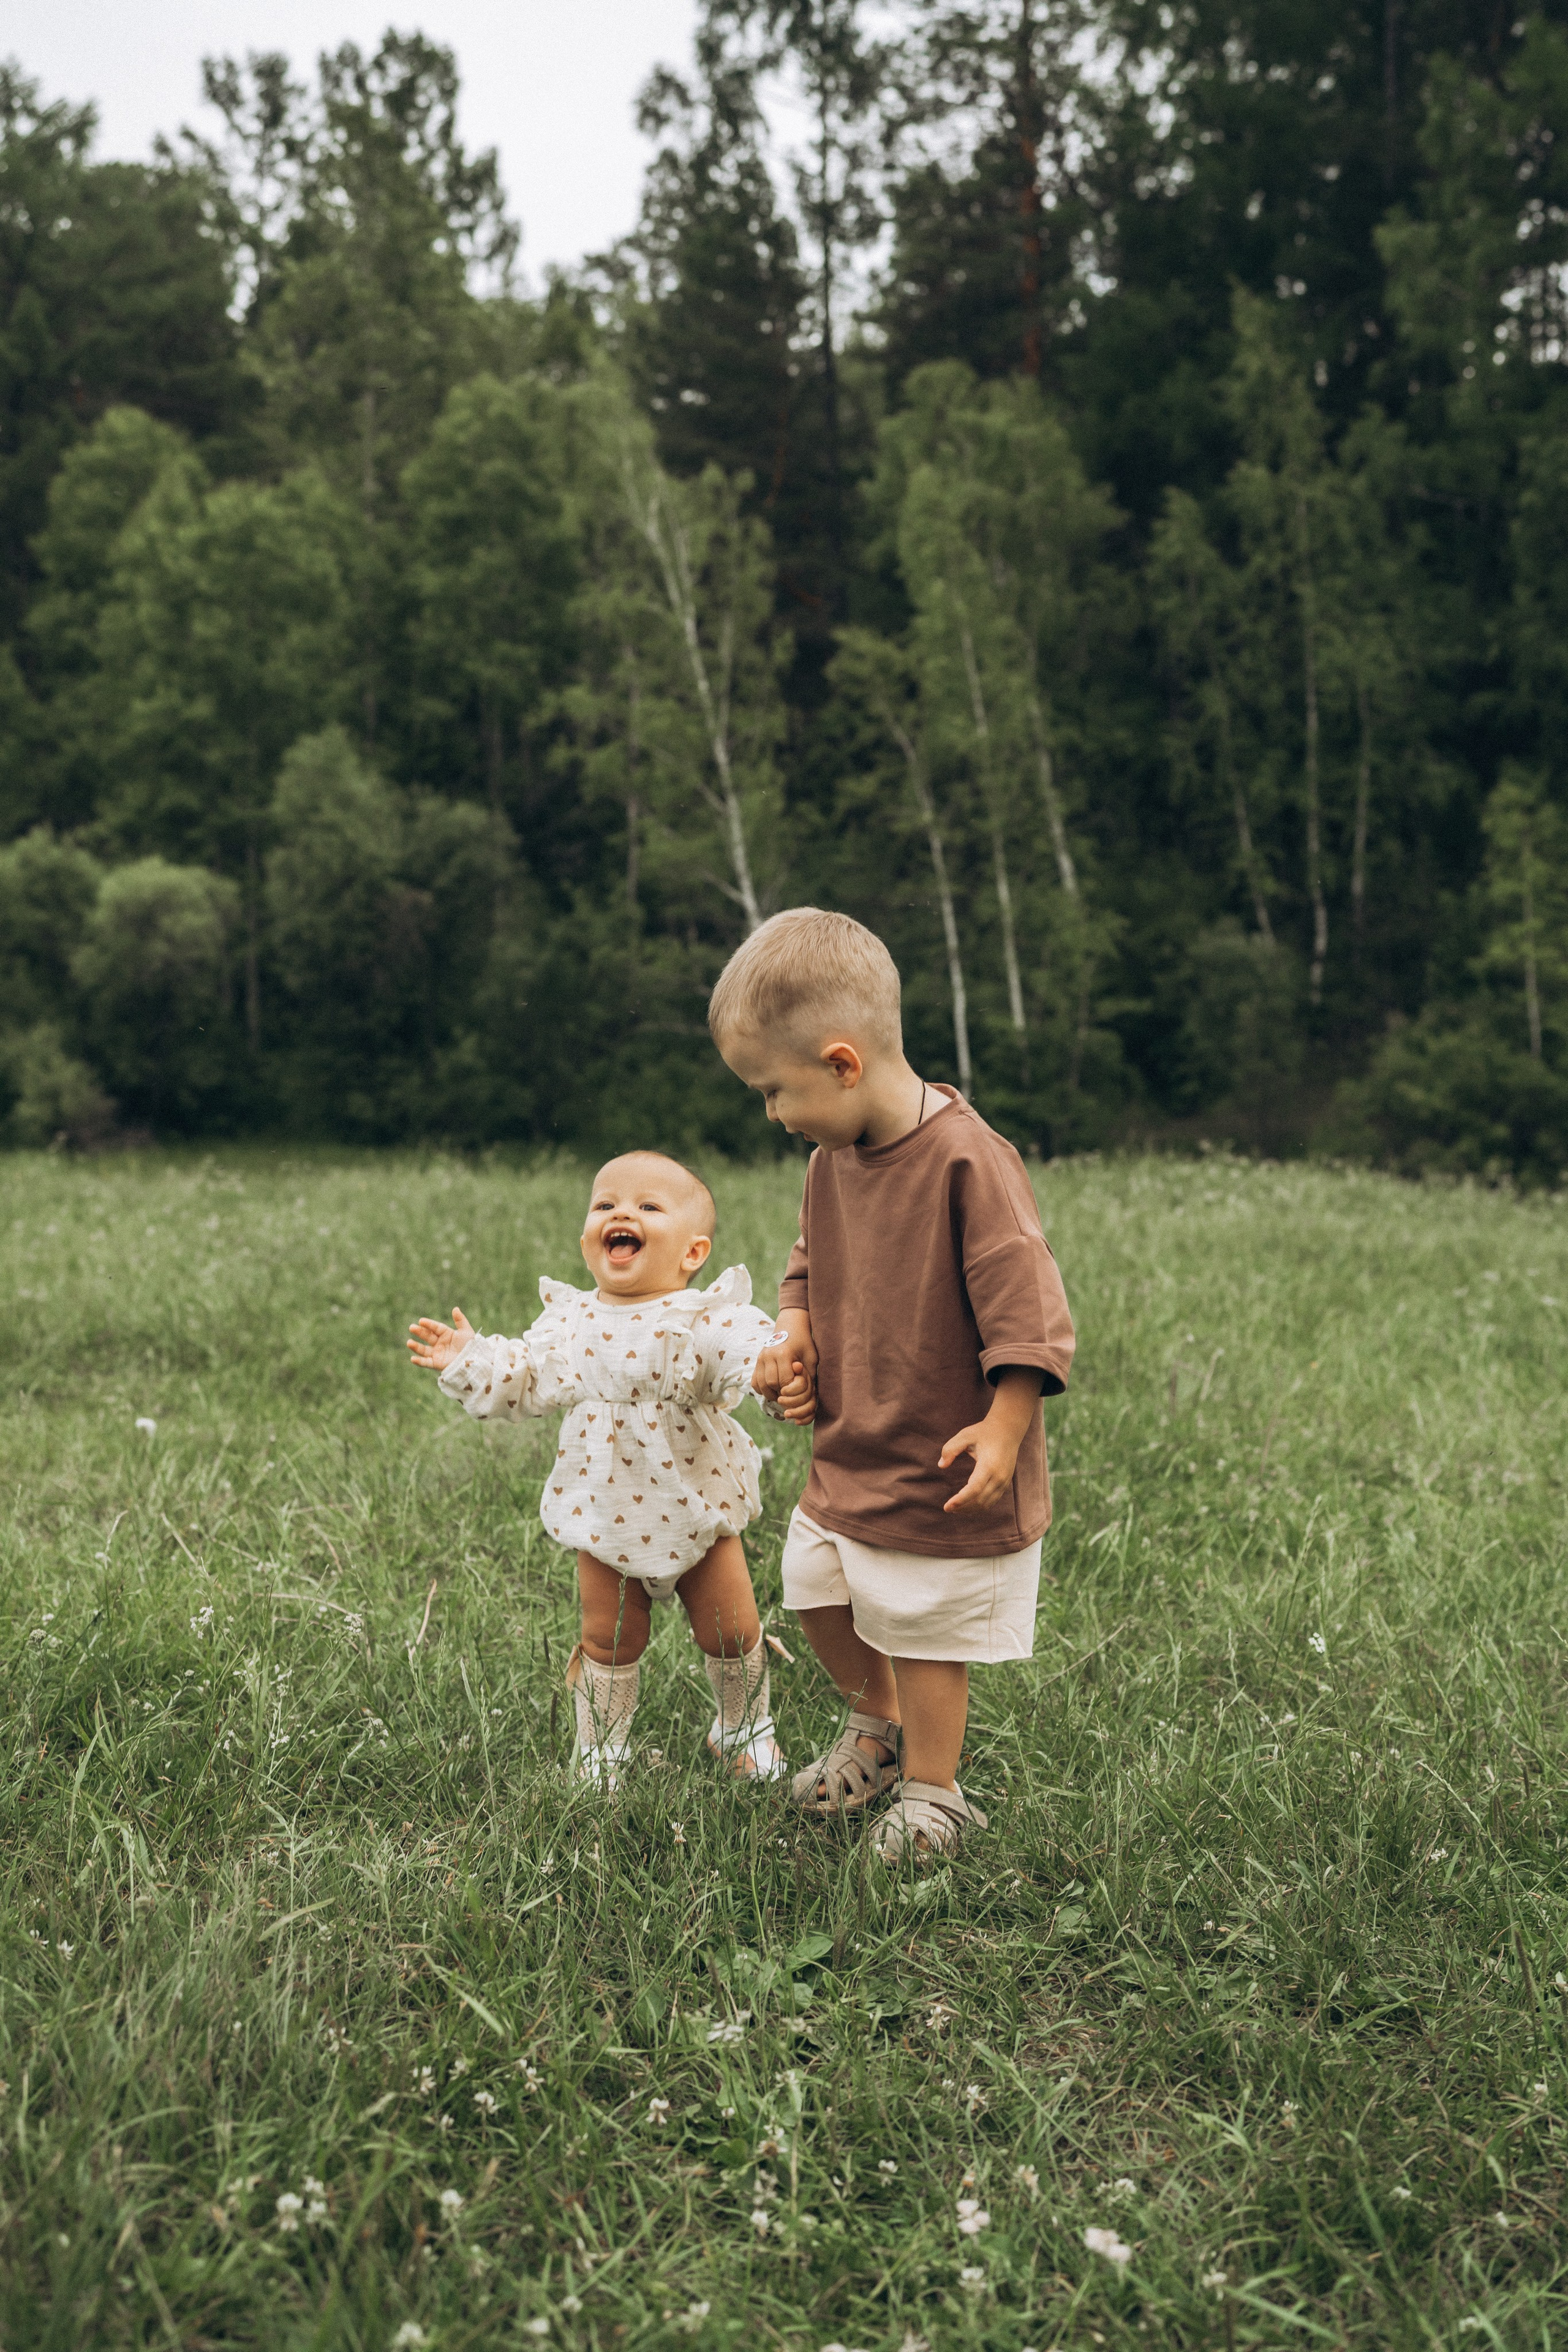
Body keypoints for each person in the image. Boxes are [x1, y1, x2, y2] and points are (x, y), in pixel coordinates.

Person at [710, 908, 1076, 1861]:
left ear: (842, 1064)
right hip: (852, 1447)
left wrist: (1006, 1423)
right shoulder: (831, 1163)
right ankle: (878, 1727)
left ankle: (935, 1793)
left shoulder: (967, 1159)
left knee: (921, 1629)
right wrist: (794, 1334)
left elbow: (1024, 1299)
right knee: (814, 1592)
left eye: (775, 1091)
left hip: (942, 1456)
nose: (773, 1116)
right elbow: (806, 1265)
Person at [407, 1151, 813, 1787]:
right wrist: (474, 1358)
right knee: (609, 1637)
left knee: (732, 1630)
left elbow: (745, 1350)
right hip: (605, 1514)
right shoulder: (571, 1322)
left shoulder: (700, 1317)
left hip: (695, 1506)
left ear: (692, 1252)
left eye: (649, 1207)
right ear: (588, 1241)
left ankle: (742, 1728)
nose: (622, 1211)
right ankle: (602, 1751)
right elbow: (528, 1377)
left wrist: (772, 1369)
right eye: (606, 1205)